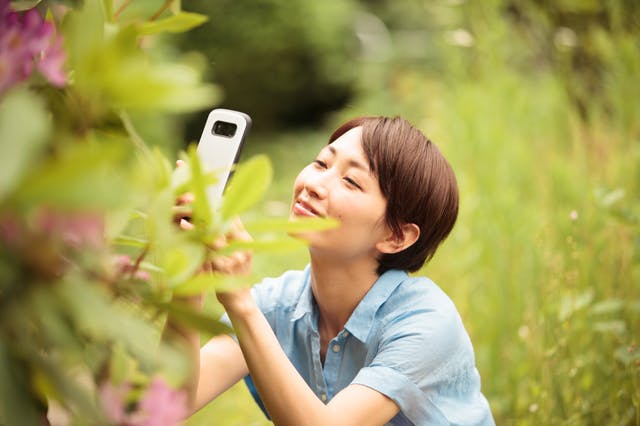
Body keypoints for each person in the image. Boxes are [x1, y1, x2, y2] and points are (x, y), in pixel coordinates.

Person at [181, 116, 495, 425]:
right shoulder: (276, 307)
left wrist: (239, 302)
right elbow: (162, 409)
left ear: (395, 236)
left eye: (351, 181)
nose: (314, 184)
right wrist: (188, 270)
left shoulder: (425, 323)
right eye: (321, 163)